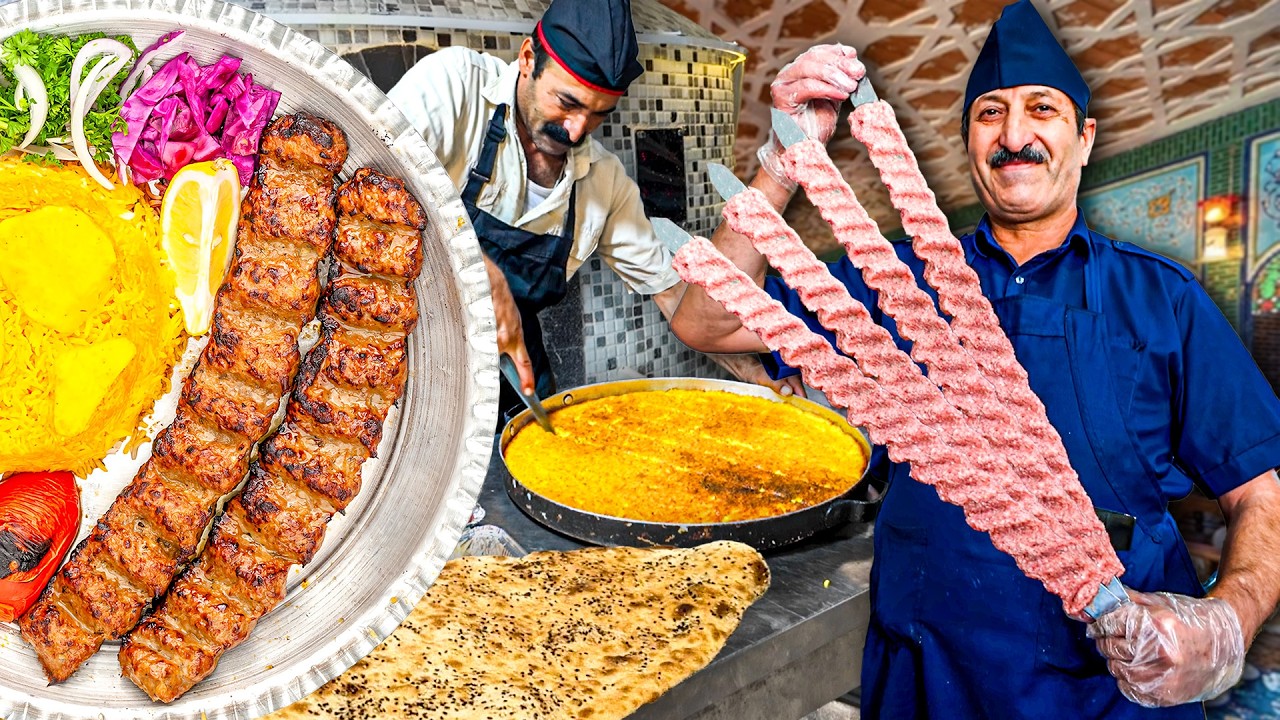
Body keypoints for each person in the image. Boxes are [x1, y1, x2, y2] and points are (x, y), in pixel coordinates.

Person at [670, 0, 1280, 716]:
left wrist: (1230, 618)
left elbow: (1260, 491)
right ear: (968, 142)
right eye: (991, 114)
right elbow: (706, 319)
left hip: (1110, 686)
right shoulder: (894, 281)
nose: (1014, 135)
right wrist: (783, 163)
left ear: (1085, 139)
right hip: (926, 674)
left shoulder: (1163, 297)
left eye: (1042, 109)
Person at [387, 0, 858, 419]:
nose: (576, 131)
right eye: (567, 103)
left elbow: (674, 296)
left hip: (517, 373)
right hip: (398, 338)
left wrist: (756, 376)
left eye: (598, 115)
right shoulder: (454, 86)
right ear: (528, 59)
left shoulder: (604, 183)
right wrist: (483, 277)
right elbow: (379, 179)